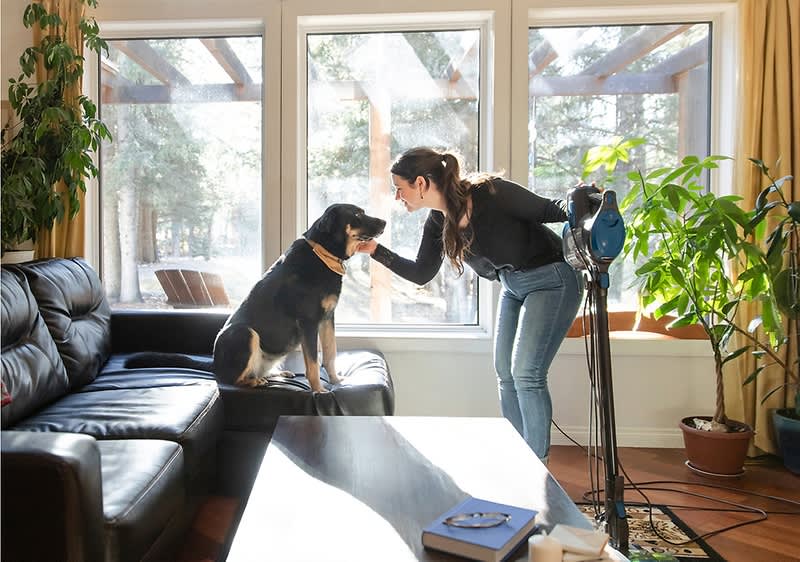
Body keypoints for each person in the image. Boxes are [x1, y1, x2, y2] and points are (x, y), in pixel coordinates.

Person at [356, 147, 584, 464]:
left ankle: (538, 465)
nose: (397, 196)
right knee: (505, 372)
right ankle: (521, 457)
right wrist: (375, 250)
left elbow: (551, 209)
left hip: (552, 279)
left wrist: (585, 200)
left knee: (526, 374)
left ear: (420, 183)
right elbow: (422, 272)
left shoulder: (489, 192)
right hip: (513, 284)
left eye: (400, 187)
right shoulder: (438, 221)